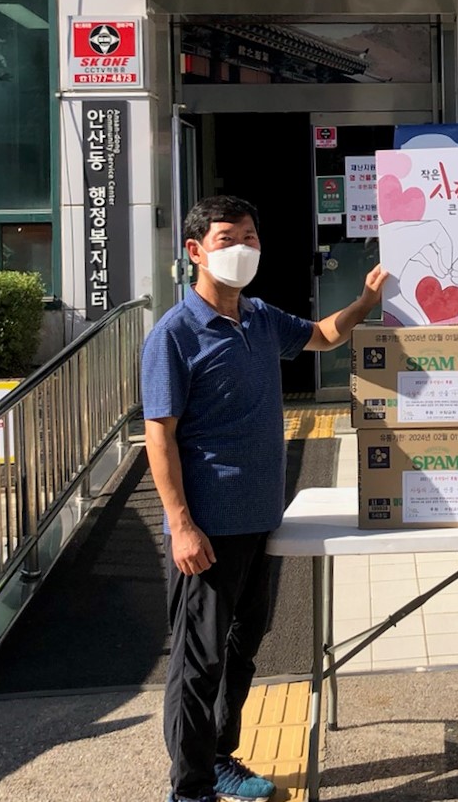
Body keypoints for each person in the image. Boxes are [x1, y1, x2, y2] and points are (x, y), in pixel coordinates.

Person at [142, 195, 387, 802]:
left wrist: (366, 302)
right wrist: (181, 525)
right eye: (228, 239)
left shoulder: (257, 316)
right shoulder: (174, 335)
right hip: (207, 526)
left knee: (242, 650)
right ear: (195, 251)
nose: (242, 249)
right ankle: (191, 787)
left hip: (258, 518)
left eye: (250, 237)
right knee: (198, 664)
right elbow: (159, 436)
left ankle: (223, 757)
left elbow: (323, 337)